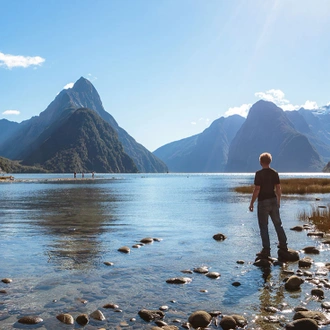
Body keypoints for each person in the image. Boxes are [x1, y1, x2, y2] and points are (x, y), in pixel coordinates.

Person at [249, 152, 288, 258]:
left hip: (263, 202)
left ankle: (266, 250)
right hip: (273, 201)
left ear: (260, 162)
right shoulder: (274, 173)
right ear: (269, 161)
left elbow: (257, 189)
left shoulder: (258, 174)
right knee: (278, 224)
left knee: (263, 226)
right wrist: (278, 200)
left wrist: (251, 203)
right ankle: (283, 245)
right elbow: (278, 188)